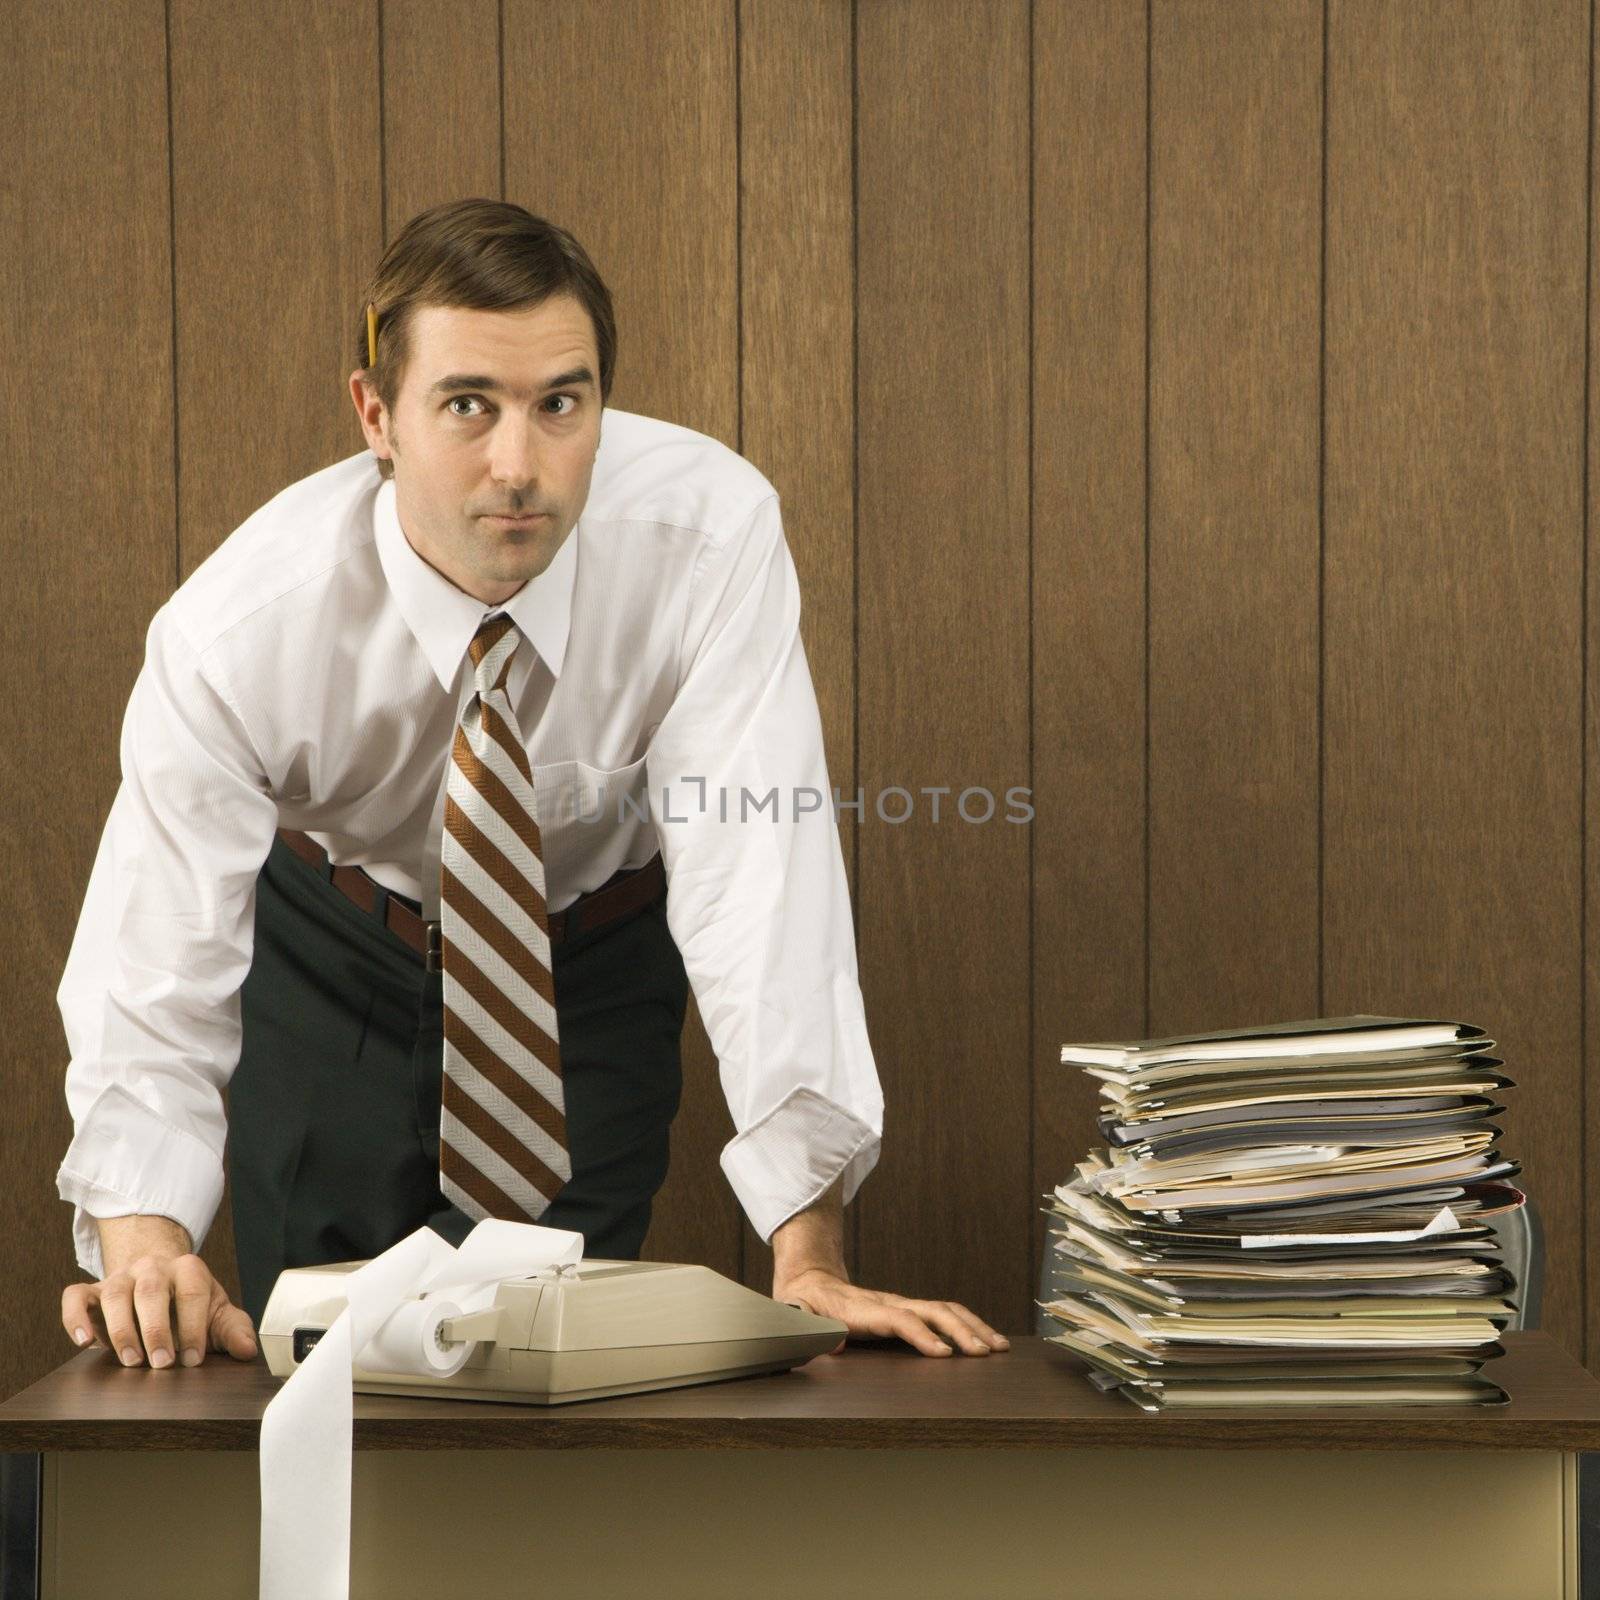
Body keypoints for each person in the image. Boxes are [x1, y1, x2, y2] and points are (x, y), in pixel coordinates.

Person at [55, 197, 1008, 1373]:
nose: (519, 465)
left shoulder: (707, 537)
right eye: (467, 405)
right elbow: (155, 950)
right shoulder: (236, 632)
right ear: (376, 415)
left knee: (548, 1361)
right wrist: (142, 1240)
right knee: (314, 1357)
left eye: (561, 403)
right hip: (333, 954)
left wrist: (809, 1255)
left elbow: (762, 884)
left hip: (586, 965)